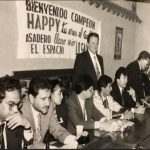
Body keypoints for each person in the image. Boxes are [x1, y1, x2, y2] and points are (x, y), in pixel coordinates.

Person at [21, 77, 78, 149]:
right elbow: (30, 144)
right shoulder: (21, 111)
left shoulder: (48, 106)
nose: (48, 103)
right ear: (32, 98)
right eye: (43, 99)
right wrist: (50, 148)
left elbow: (57, 129)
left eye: (48, 98)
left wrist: (73, 140)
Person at [0, 75, 33, 149]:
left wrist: (27, 126)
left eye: (17, 104)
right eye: (11, 104)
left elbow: (29, 146)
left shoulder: (17, 118)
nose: (16, 110)